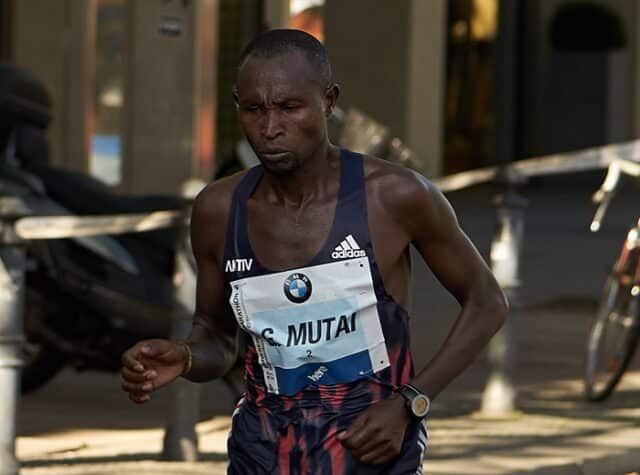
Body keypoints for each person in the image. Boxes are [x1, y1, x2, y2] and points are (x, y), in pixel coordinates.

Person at [121, 29, 508, 474]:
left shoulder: (394, 196)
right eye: (254, 110)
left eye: (289, 107)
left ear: (328, 101)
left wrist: (410, 403)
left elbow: (487, 302)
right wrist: (185, 356)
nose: (269, 129)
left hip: (370, 450)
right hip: (262, 452)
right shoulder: (217, 210)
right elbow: (216, 335)